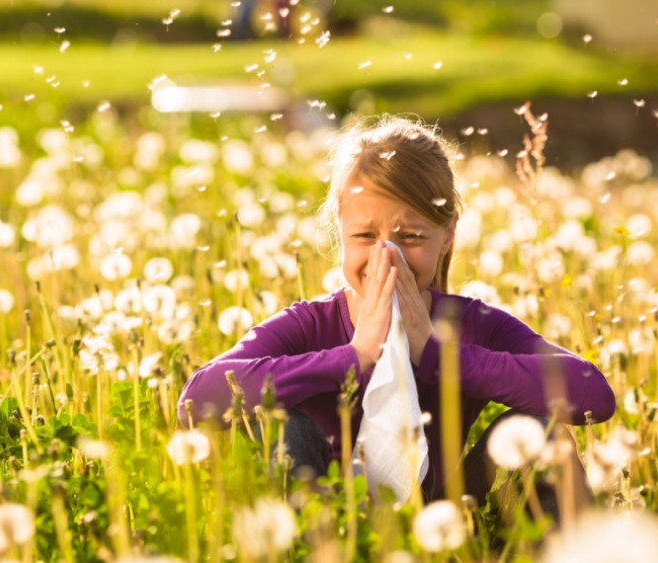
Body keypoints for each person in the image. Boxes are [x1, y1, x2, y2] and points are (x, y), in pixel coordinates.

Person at [178, 115, 616, 514]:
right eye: (366, 235)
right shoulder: (310, 324)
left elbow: (593, 394)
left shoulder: (471, 325)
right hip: (326, 515)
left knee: (541, 432)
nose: (386, 256)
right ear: (339, 234)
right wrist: (354, 356)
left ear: (447, 236)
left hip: (447, 515)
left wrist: (439, 355)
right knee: (282, 427)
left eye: (410, 236)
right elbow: (197, 400)